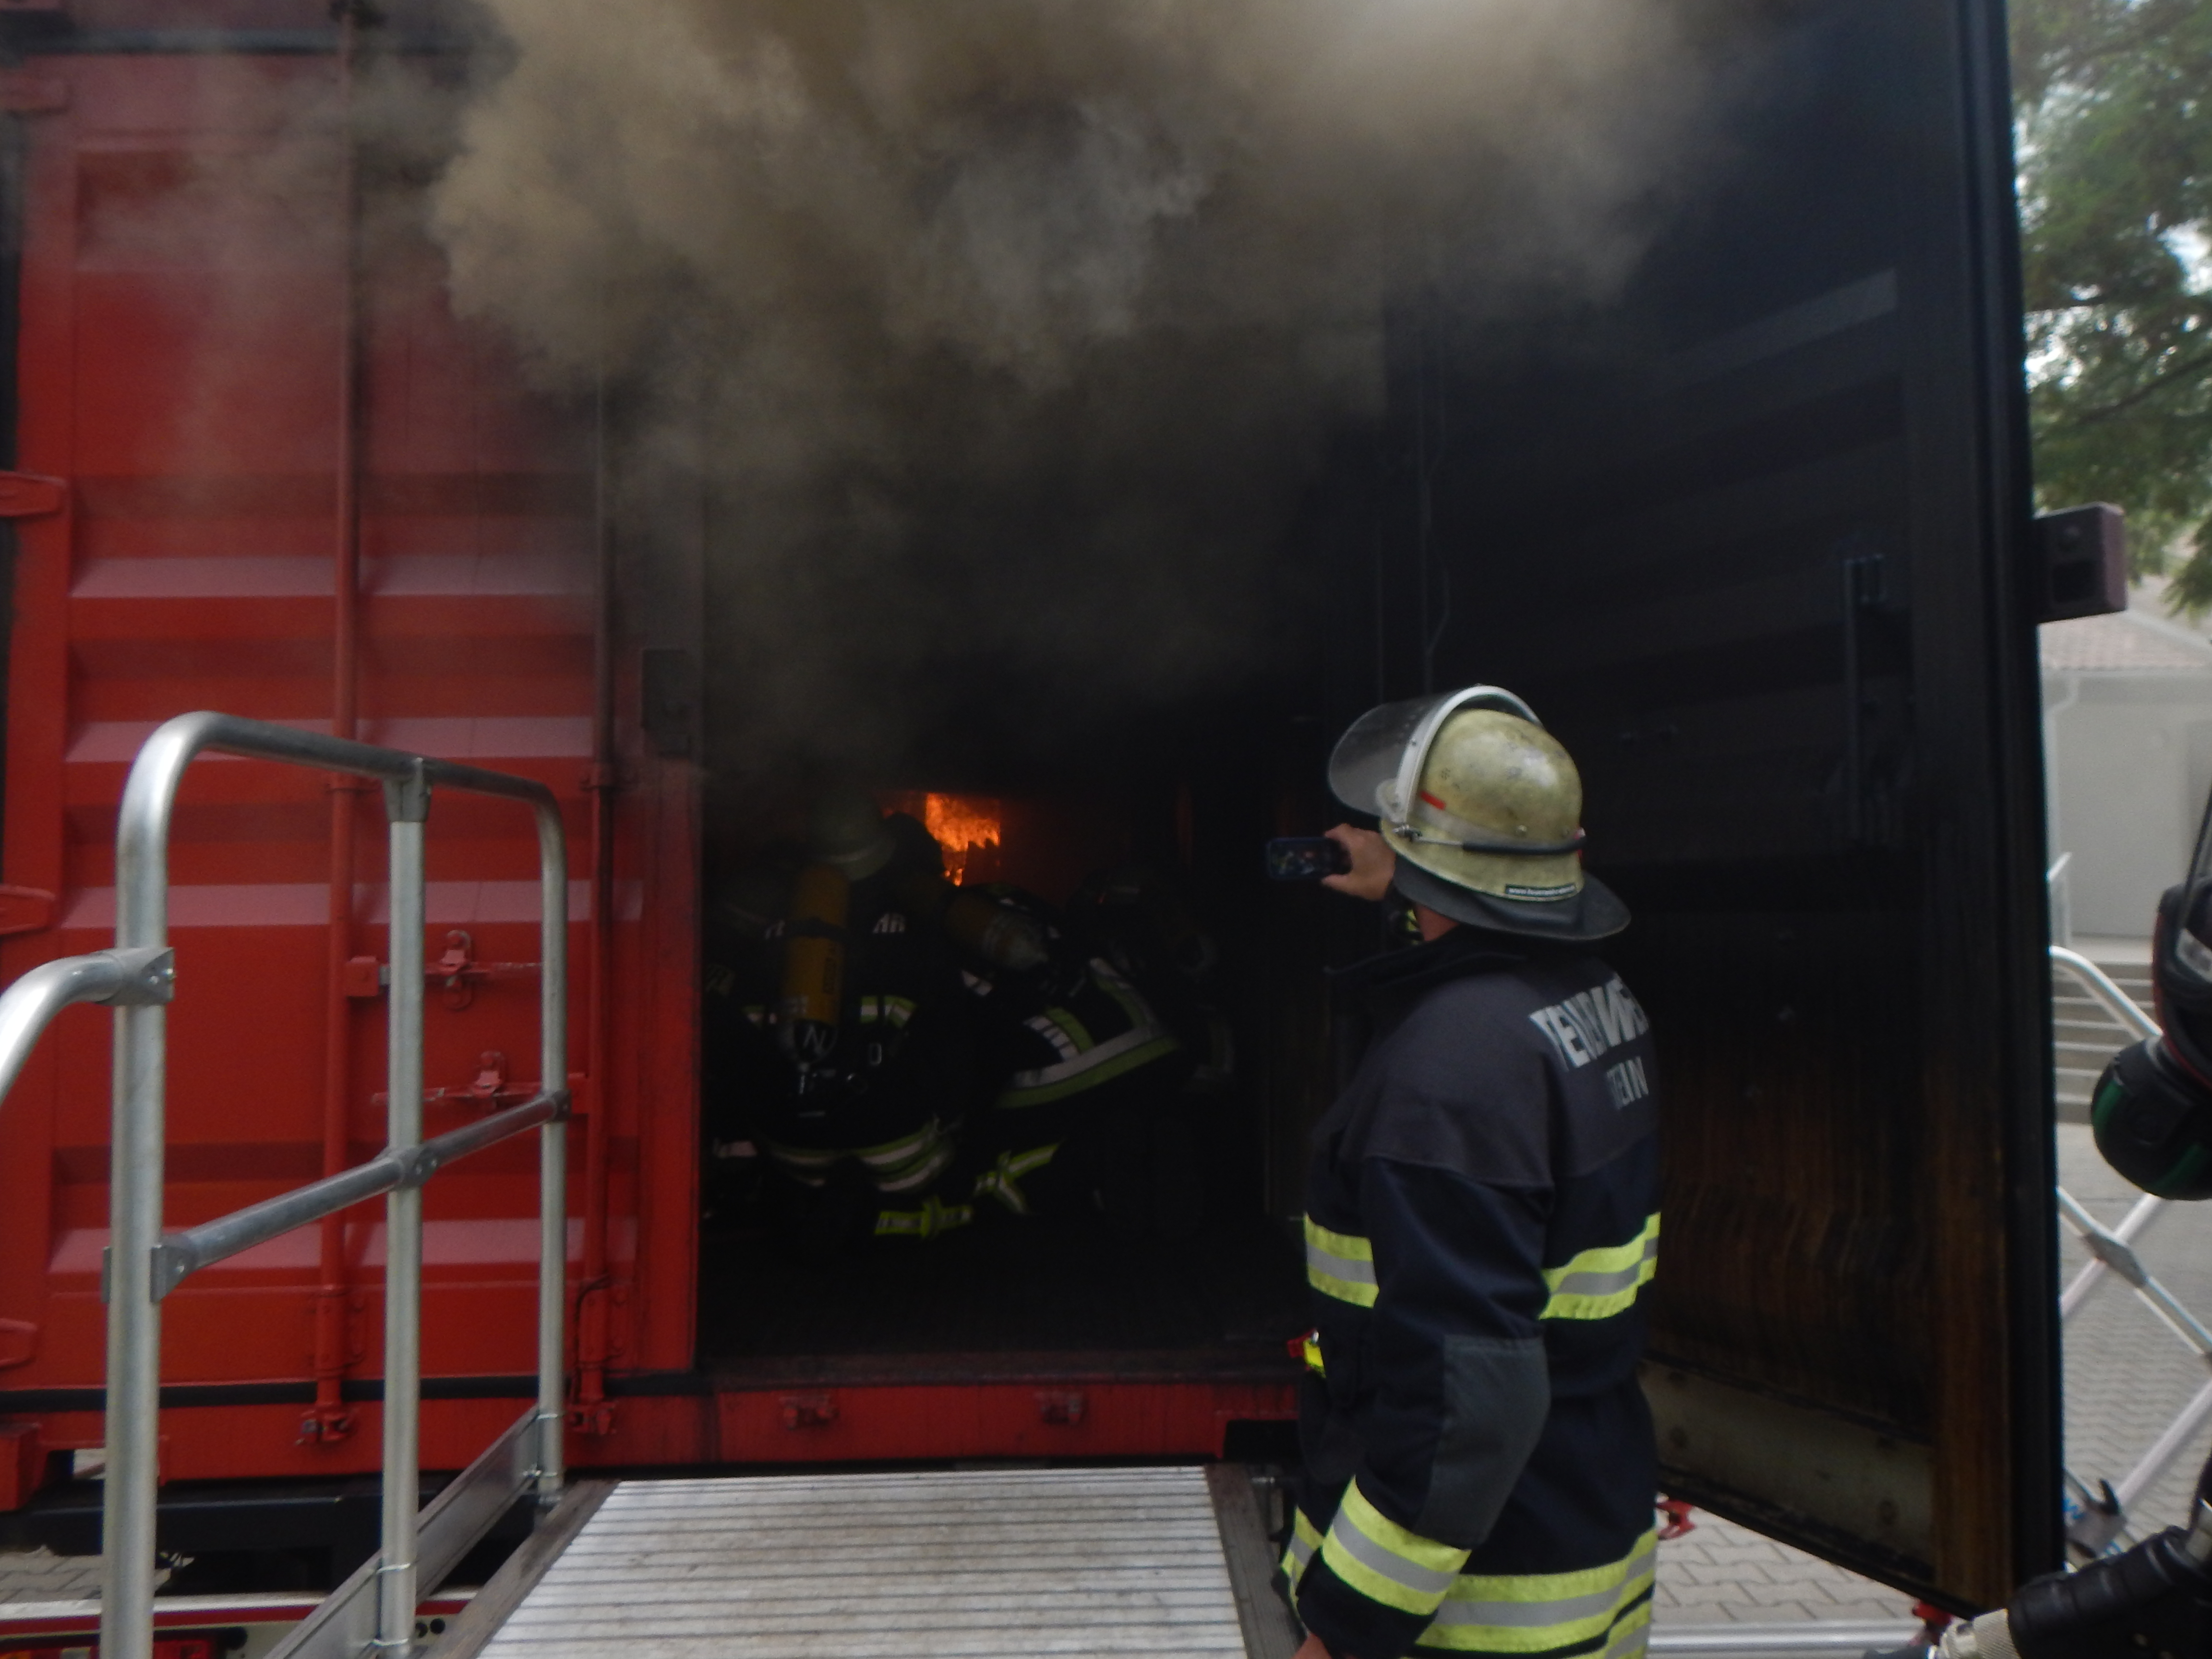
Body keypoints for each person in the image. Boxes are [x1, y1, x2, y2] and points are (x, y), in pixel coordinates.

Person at [1280, 685, 1663, 1659]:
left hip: (1472, 1605)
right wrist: (1406, 881)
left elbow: (1470, 1409)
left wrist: (1344, 1631)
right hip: (1584, 1519)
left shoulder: (1444, 1080)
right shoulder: (1592, 999)